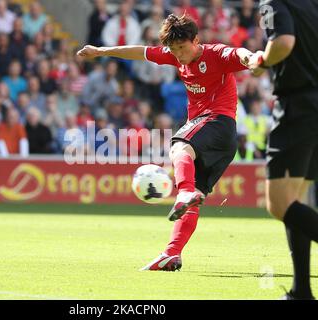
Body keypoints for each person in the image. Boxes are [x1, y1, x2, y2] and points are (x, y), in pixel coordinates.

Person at [77, 13, 253, 271]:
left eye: (182, 48)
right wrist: (102, 51)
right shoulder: (174, 56)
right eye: (174, 50)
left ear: (196, 40)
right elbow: (140, 52)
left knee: (179, 147)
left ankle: (183, 191)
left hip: (217, 123)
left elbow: (238, 55)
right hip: (221, 141)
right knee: (196, 197)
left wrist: (254, 58)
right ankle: (172, 253)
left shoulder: (214, 54)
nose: (179, 55)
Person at [248, 0, 318, 300]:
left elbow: (283, 42)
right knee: (296, 199)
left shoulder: (271, 3)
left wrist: (262, 61)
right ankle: (301, 290)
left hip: (298, 107)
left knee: (278, 204)